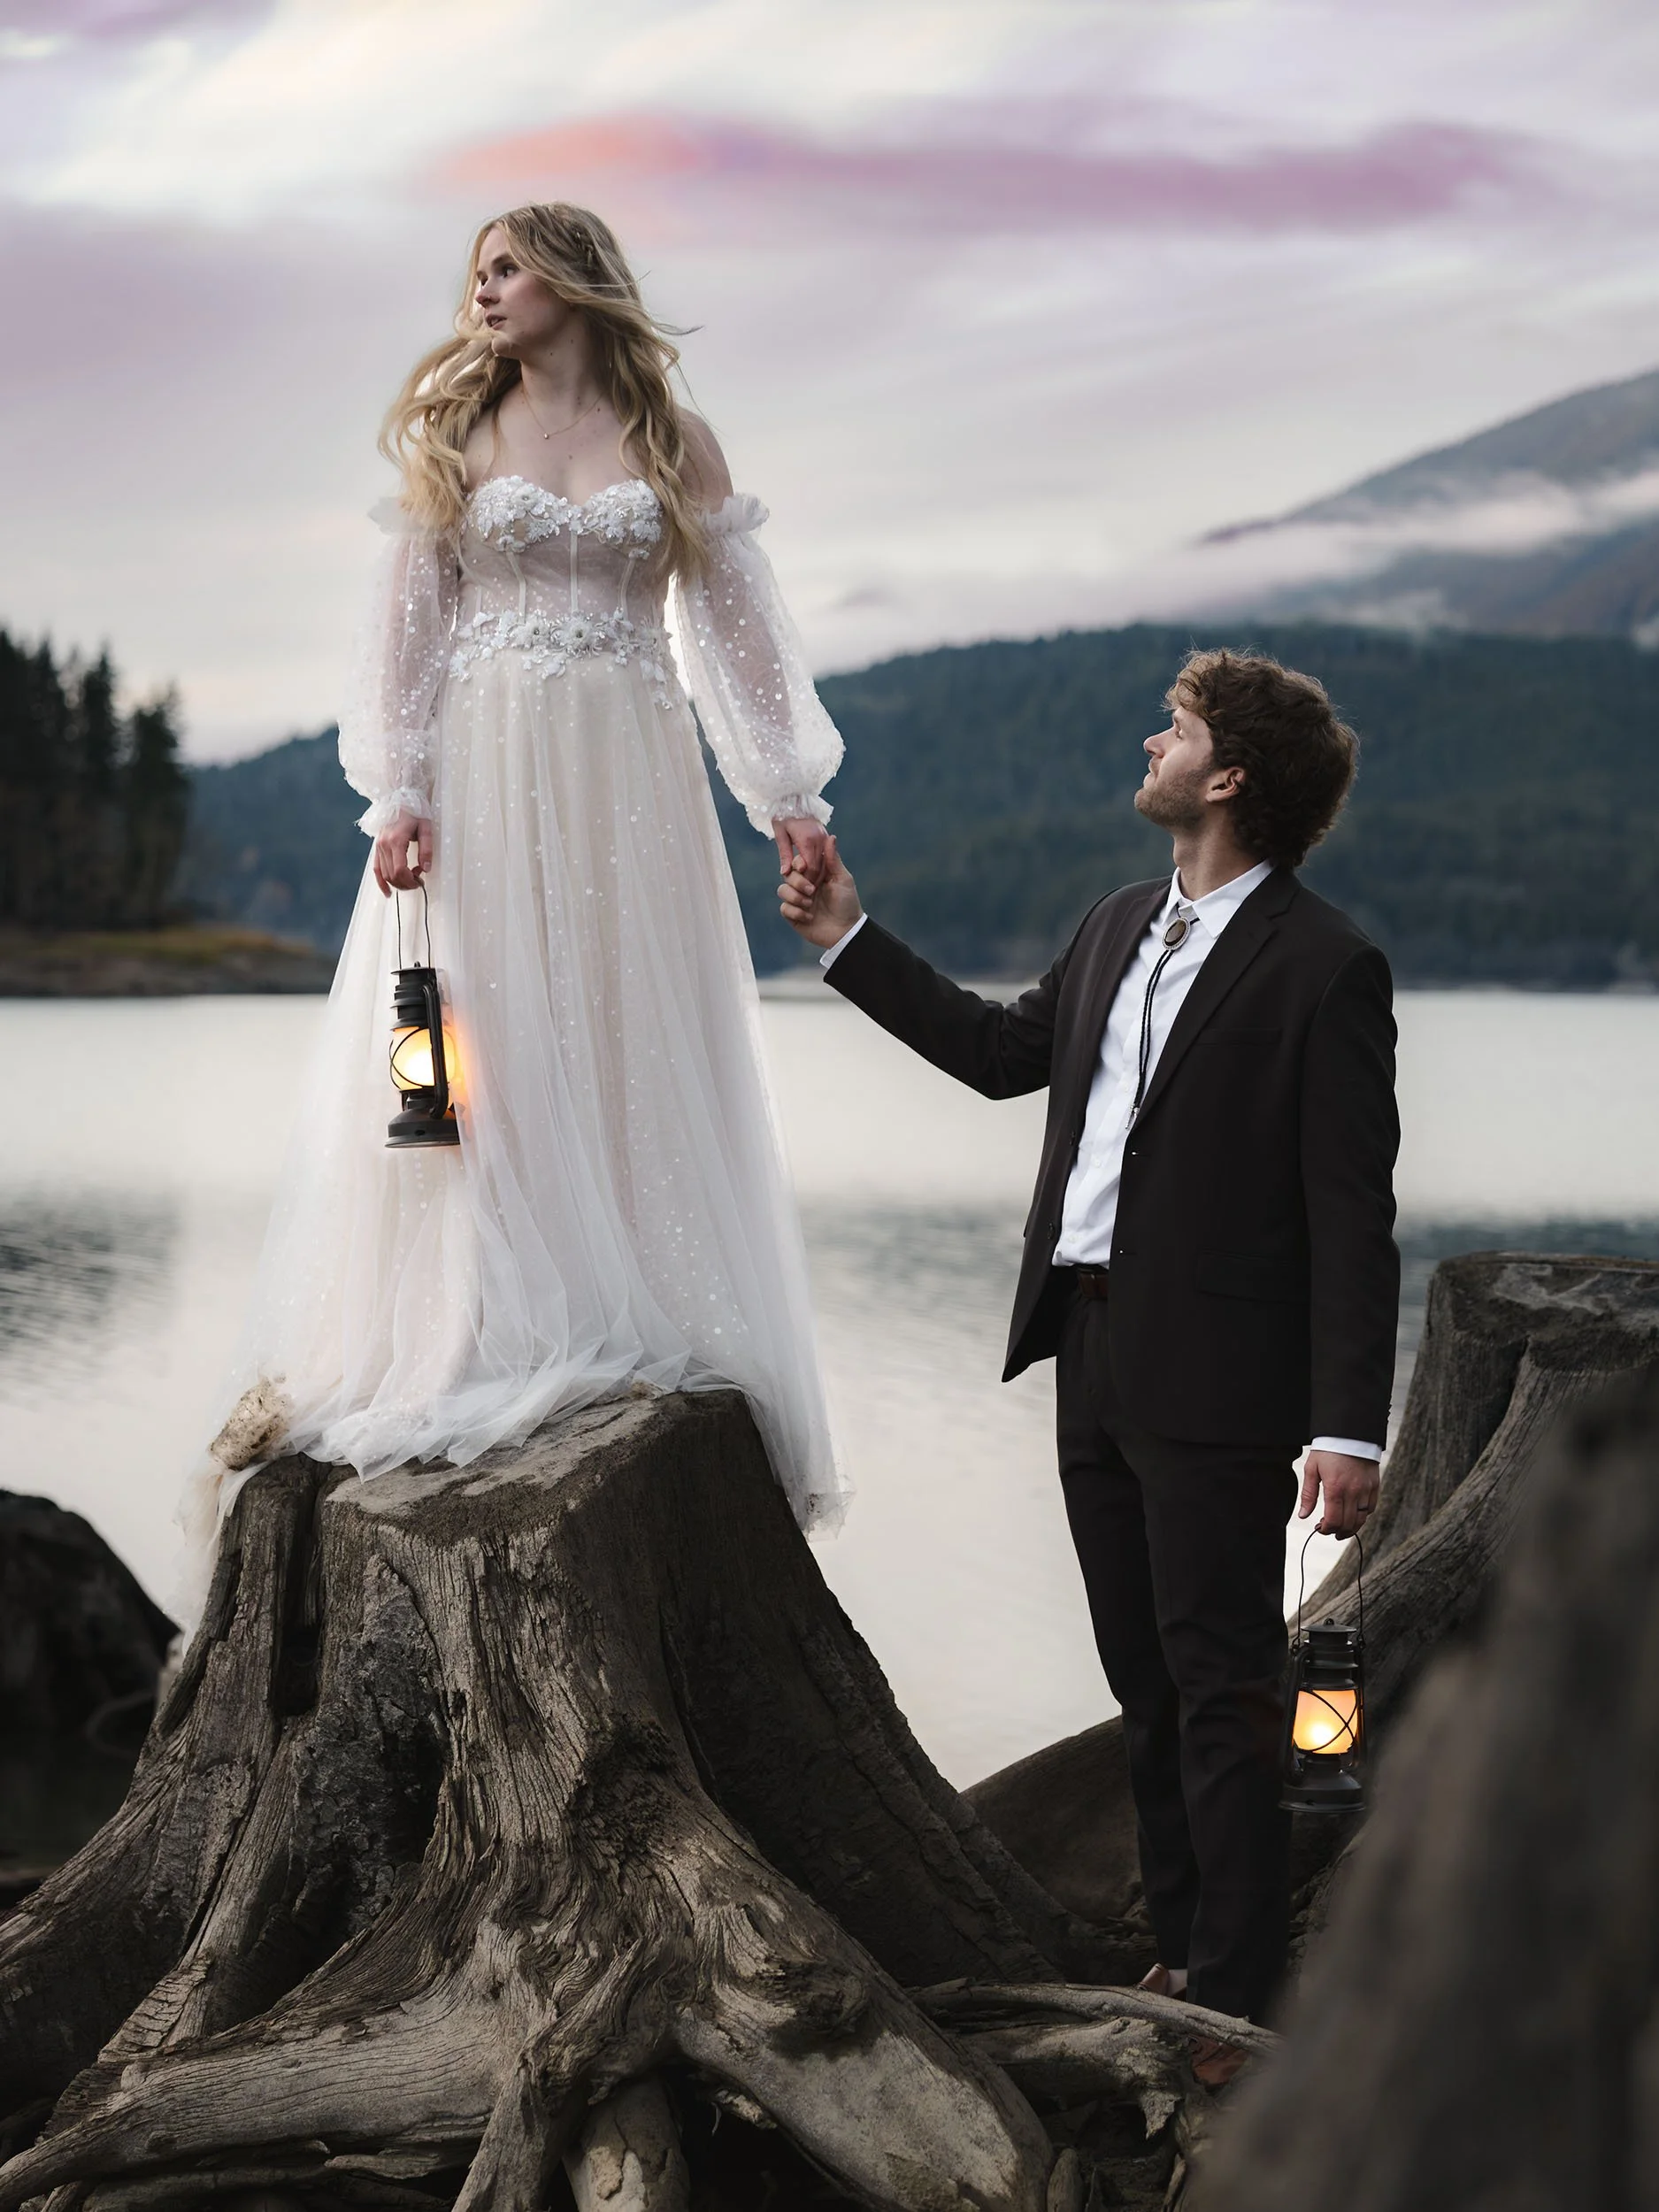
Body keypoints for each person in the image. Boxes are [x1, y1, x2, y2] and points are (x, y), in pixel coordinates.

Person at [183, 201, 847, 1593]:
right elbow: (406, 629)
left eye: (507, 267)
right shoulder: (458, 434)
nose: (482, 289)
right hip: (485, 763)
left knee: (620, 1020)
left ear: (573, 278)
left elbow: (734, 633)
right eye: (476, 271)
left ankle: (622, 1300)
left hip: (631, 771)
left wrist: (787, 794)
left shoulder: (674, 440)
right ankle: (471, 1319)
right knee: (468, 1035)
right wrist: (400, 790)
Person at [779, 649, 1399, 2071]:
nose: (1147, 743)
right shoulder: (1120, 920)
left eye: (1172, 730)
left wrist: (1347, 1427)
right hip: (1086, 1344)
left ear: (1227, 777)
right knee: (1142, 1678)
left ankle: (1233, 1999)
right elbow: (1000, 1054)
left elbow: (1348, 1216)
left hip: (1223, 1382)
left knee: (1223, 1686)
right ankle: (1179, 1939)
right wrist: (847, 938)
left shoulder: (1324, 965)